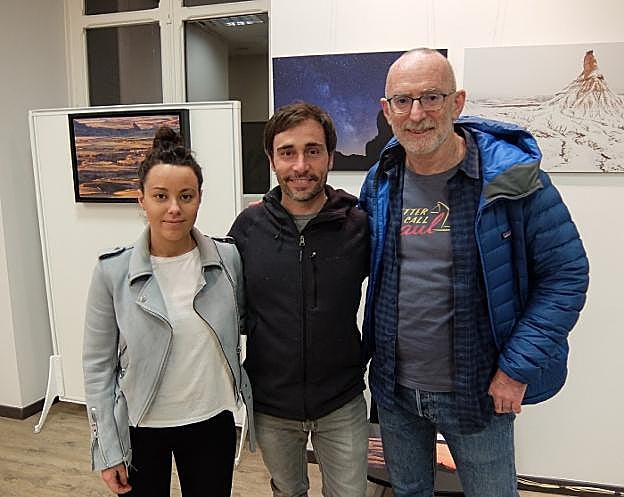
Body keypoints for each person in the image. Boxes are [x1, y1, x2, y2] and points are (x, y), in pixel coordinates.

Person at [359, 48, 589, 497]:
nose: (417, 114)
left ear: (457, 102)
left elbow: (566, 276)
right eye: (403, 101)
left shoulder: (512, 179)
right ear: (387, 111)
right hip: (394, 387)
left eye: (432, 97)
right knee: (407, 491)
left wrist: (516, 369)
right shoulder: (381, 180)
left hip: (478, 387)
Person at [83, 126, 254, 497]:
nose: (174, 208)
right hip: (140, 426)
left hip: (211, 420)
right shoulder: (113, 271)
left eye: (185, 196)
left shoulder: (228, 259)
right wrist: (107, 449)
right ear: (141, 200)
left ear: (199, 199)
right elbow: (97, 367)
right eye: (161, 196)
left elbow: (244, 324)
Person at [229, 102, 369, 497]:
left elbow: (394, 296)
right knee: (287, 492)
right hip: (272, 404)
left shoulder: (358, 226)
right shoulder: (249, 227)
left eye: (312, 150)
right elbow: (228, 306)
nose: (300, 166)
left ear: (330, 156)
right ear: (272, 159)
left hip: (341, 400)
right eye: (287, 152)